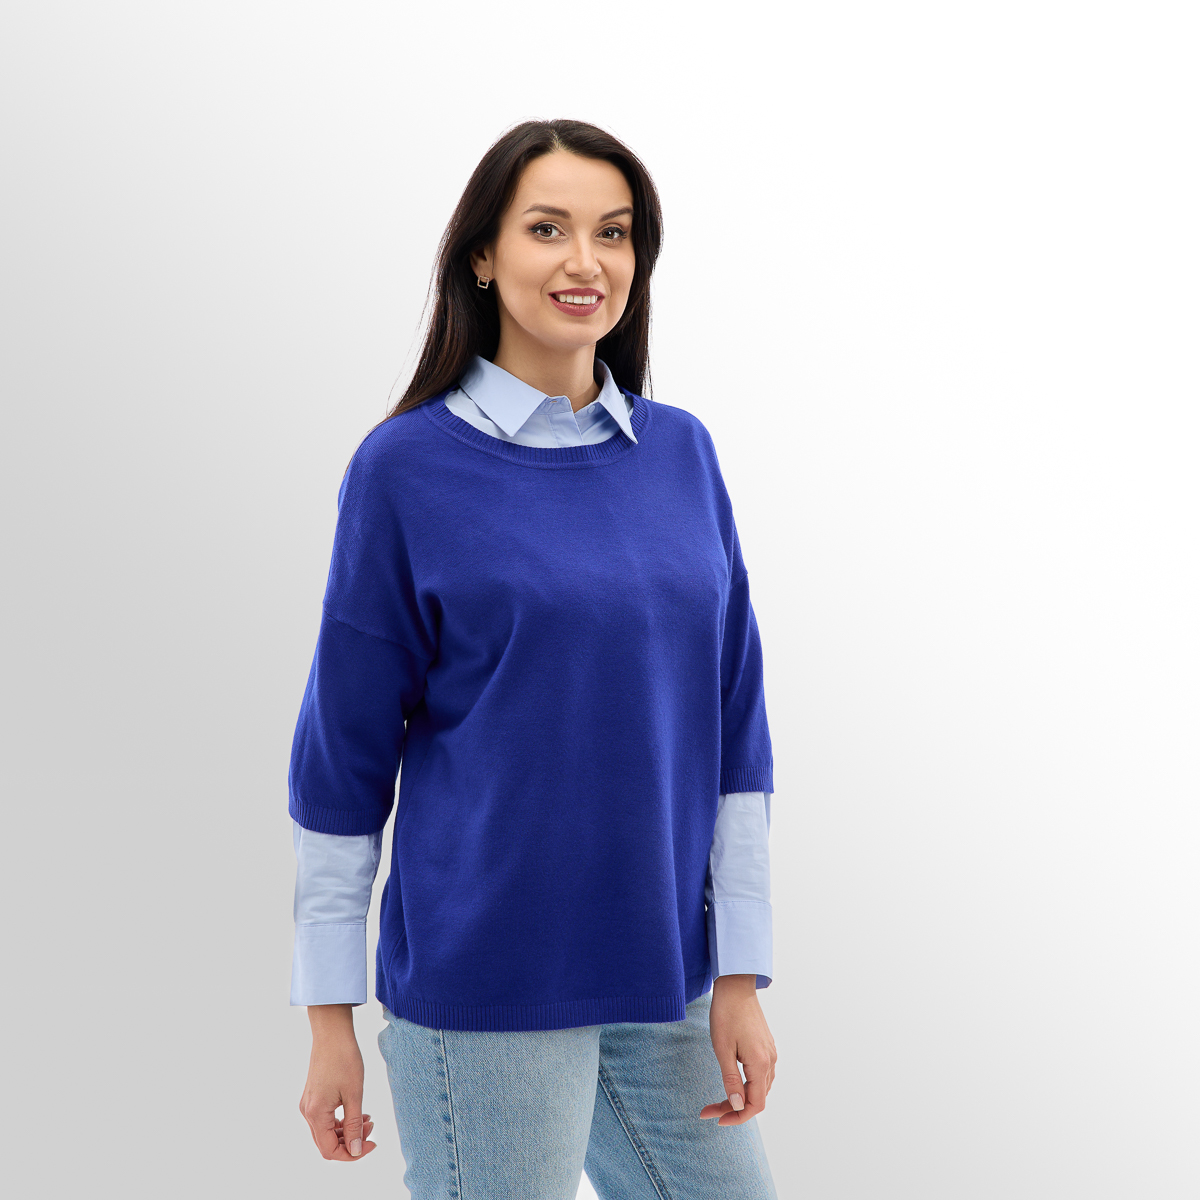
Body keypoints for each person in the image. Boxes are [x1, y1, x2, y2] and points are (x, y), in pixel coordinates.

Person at [289, 118, 780, 1199]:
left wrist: (740, 972)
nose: (585, 261)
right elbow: (342, 759)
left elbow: (735, 730)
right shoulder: (404, 470)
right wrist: (329, 1017)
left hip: (666, 978)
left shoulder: (683, 454)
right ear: (483, 253)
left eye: (614, 232)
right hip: (488, 988)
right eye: (547, 229)